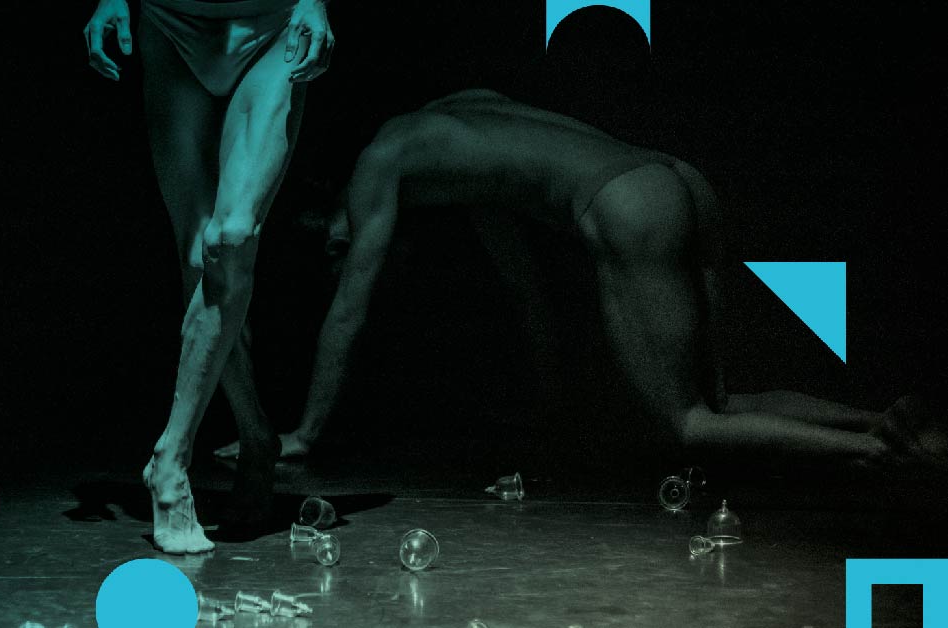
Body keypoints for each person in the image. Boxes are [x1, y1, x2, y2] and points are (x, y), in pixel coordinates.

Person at [215, 89, 946, 468]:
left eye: (335, 244)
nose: (346, 254)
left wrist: (304, 433)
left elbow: (351, 309)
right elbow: (524, 287)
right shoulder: (454, 120)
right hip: (675, 178)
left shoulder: (378, 166)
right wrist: (550, 395)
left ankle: (878, 452)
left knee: (688, 426)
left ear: (327, 207)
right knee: (720, 401)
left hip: (628, 202)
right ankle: (879, 419)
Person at [84, 0, 334, 553]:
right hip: (172, 23)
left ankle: (171, 458)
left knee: (233, 237)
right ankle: (256, 435)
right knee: (200, 261)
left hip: (272, 26)